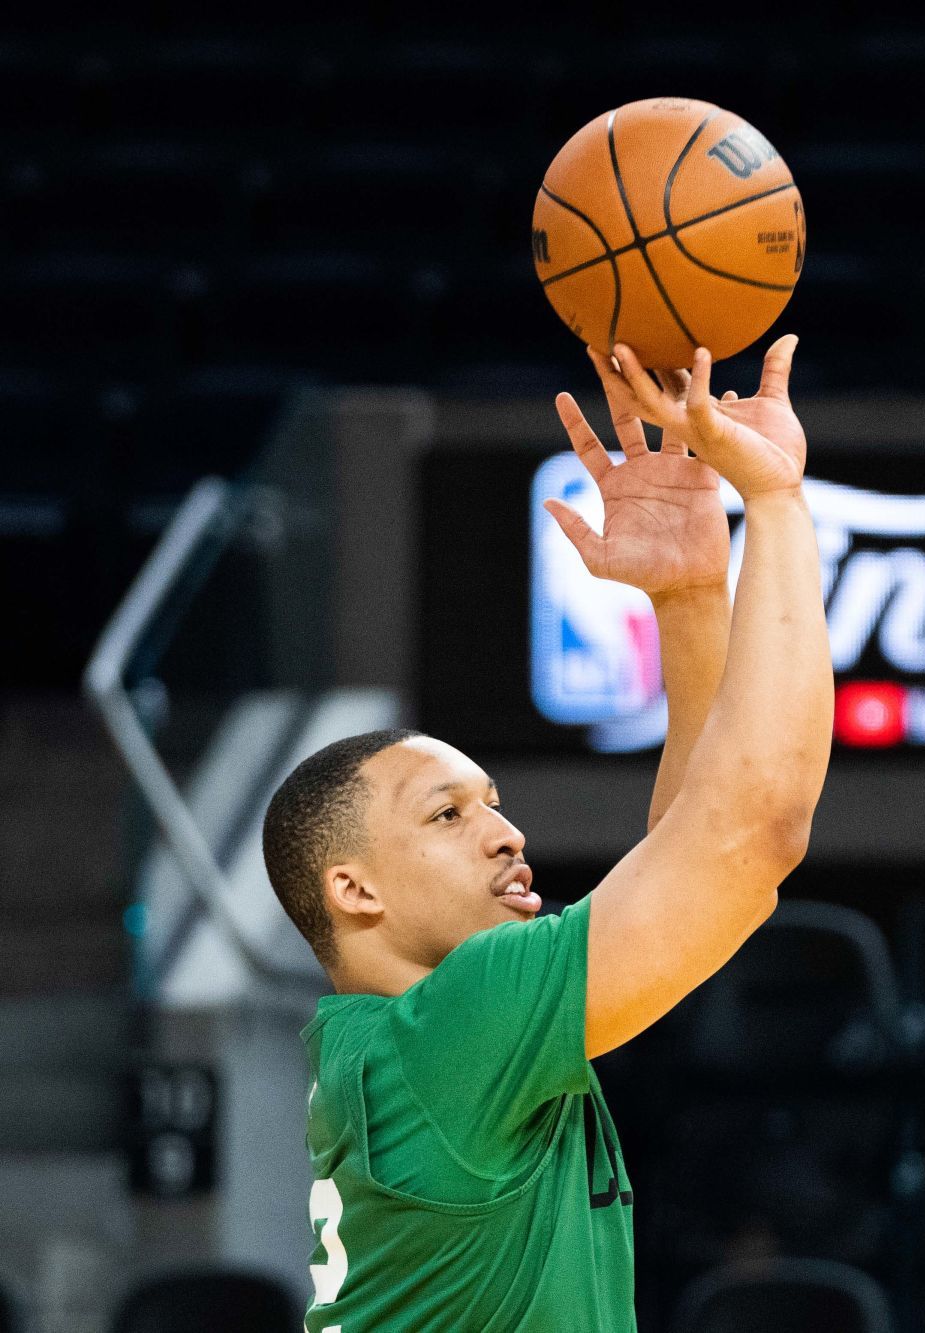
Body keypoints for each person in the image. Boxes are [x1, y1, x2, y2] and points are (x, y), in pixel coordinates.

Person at [262, 336, 832, 1332]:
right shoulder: (455, 1025)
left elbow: (688, 850)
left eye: (491, 801)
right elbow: (752, 834)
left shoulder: (406, 1042)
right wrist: (775, 507)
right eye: (447, 814)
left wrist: (694, 598)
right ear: (356, 889)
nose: (505, 833)